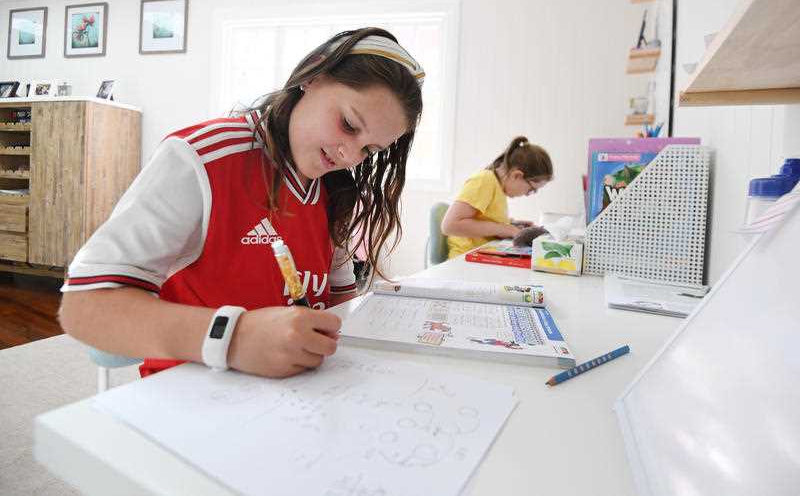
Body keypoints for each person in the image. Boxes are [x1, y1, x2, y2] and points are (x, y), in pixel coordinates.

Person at [59, 27, 424, 379]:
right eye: (347, 124)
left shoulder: (335, 190)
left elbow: (337, 302)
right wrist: (233, 338)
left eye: (369, 150)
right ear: (313, 76)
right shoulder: (204, 157)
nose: (349, 156)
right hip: (191, 389)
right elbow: (85, 309)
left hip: (296, 391)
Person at [441, 136, 552, 258]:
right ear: (517, 176)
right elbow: (449, 225)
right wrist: (505, 229)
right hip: (465, 260)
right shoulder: (485, 180)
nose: (528, 194)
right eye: (531, 189)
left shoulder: (498, 188)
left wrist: (512, 224)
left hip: (482, 257)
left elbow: (484, 220)